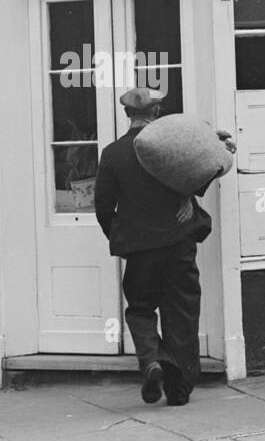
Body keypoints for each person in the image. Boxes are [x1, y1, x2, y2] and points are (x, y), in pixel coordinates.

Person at [94, 87, 235, 407]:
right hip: (178, 242)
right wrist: (188, 194)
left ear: (127, 114)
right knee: (181, 312)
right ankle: (179, 389)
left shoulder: (113, 154)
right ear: (156, 113)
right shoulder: (176, 146)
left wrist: (122, 236)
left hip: (140, 249)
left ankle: (152, 360)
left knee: (141, 308)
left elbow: (103, 207)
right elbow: (200, 176)